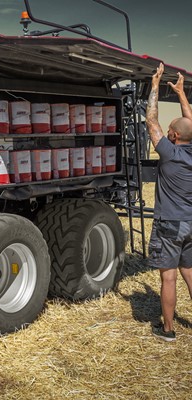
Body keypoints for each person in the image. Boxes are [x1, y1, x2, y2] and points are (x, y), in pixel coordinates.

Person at [146, 63, 192, 341]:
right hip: (191, 223)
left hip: (170, 225)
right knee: (189, 271)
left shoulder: (170, 153)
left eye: (171, 130)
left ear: (173, 136)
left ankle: (168, 330)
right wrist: (181, 94)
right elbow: (189, 122)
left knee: (169, 278)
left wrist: (154, 85)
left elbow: (151, 120)